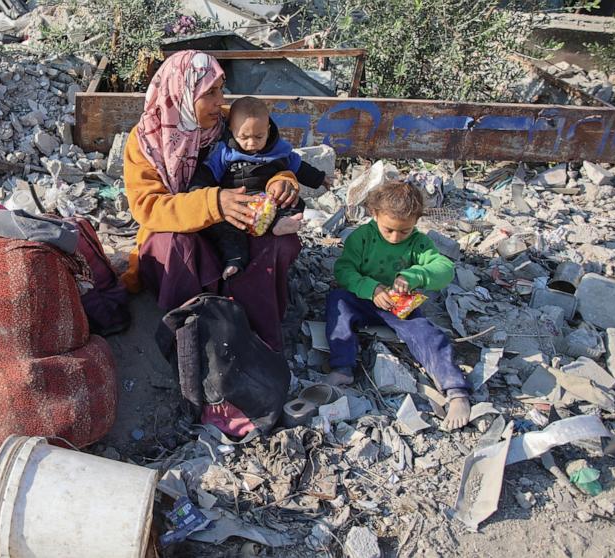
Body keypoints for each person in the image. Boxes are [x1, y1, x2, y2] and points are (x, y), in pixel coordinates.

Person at [121, 50, 301, 352]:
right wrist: (214, 204)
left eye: (221, 89)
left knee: (278, 242)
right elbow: (148, 207)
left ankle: (253, 339)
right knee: (171, 245)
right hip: (184, 228)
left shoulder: (231, 124)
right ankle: (192, 335)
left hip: (236, 224)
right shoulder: (145, 142)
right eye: (210, 92)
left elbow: (271, 161)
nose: (221, 100)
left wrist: (282, 182)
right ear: (181, 92)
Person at [325, 180, 472, 430]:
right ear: (374, 214)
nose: (395, 237)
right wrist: (370, 288)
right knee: (337, 303)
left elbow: (444, 269)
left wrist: (414, 276)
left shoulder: (418, 242)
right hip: (362, 299)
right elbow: (344, 270)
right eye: (388, 230)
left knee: (428, 334)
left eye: (404, 231)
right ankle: (342, 367)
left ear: (415, 221)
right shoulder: (361, 238)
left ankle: (456, 390)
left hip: (399, 306)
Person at [187, 96, 327, 280]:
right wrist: (197, 189)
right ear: (231, 130)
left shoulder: (279, 149)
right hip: (237, 203)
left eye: (259, 136)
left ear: (268, 130)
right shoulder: (224, 152)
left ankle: (279, 223)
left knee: (293, 202)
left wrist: (320, 179)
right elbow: (207, 172)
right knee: (226, 230)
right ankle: (234, 260)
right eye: (244, 137)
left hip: (267, 200)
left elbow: (298, 166)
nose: (252, 143)